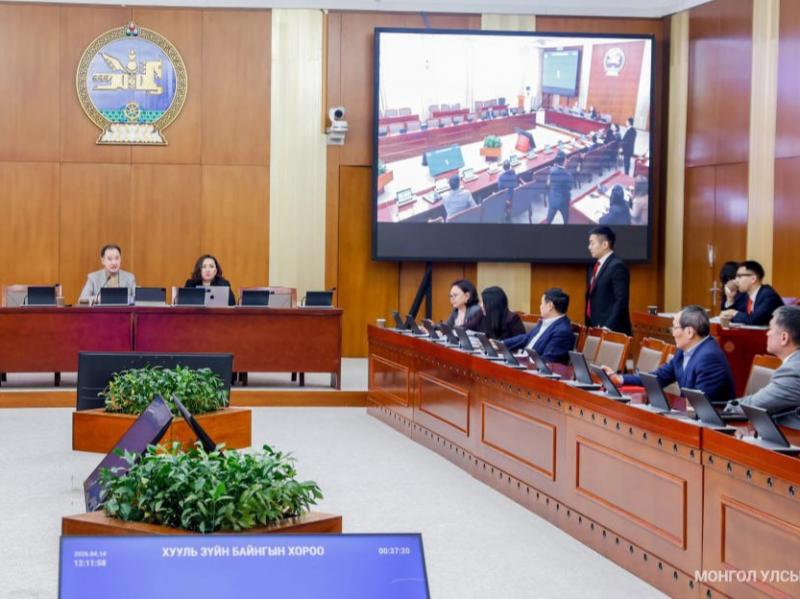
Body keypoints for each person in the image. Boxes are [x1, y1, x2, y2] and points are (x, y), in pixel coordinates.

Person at [604, 305, 735, 405]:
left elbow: (700, 404)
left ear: (689, 332)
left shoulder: (709, 357)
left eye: (675, 328)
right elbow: (659, 377)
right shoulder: (684, 351)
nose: (672, 334)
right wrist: (619, 379)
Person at [724, 306, 800, 415]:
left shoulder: (793, 371)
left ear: (784, 338)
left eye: (770, 329)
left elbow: (753, 406)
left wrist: (729, 407)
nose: (767, 333)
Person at [504, 288, 574, 364]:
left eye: (542, 303)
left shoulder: (562, 331)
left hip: (531, 367)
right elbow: (527, 337)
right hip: (522, 360)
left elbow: (548, 360)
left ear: (550, 306)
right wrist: (502, 344)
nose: (540, 306)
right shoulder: (545, 321)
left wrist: (521, 360)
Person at [585, 226, 631, 335]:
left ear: (605, 244)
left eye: (592, 243)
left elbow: (621, 300)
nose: (589, 247)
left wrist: (608, 327)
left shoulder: (617, 266)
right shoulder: (597, 265)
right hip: (596, 326)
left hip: (612, 330)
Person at [720, 260, 783, 326]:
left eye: (739, 276)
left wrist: (734, 313)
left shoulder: (768, 295)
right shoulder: (747, 296)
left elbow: (755, 320)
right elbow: (730, 317)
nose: (736, 280)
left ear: (753, 279)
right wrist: (730, 298)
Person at [546, 151, 572, 225]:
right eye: (566, 159)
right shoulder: (568, 175)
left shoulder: (551, 169)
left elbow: (548, 184)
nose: (567, 160)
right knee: (565, 216)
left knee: (550, 217)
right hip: (563, 200)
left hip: (552, 197)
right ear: (563, 161)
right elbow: (570, 187)